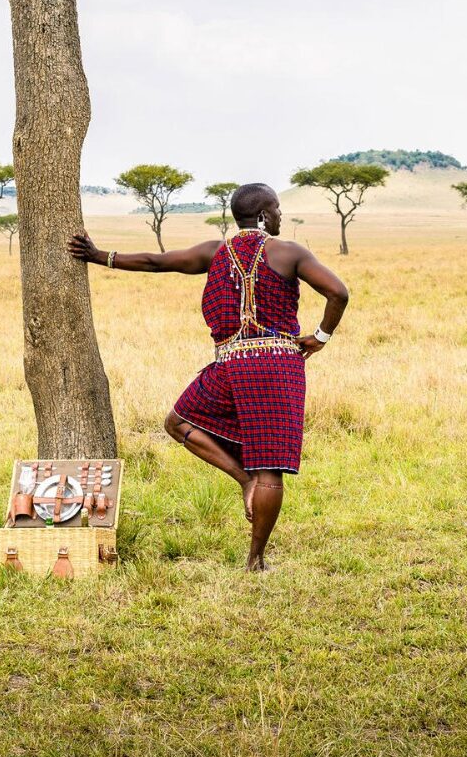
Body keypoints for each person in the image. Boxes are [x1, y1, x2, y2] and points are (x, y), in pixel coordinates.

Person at [68, 183, 349, 571]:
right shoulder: (290, 252)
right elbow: (338, 293)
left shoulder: (214, 251)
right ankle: (255, 556)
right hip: (279, 367)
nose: (281, 215)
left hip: (230, 364)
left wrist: (100, 257)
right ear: (265, 216)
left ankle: (244, 482)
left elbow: (155, 261)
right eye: (278, 209)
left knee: (178, 422)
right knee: (267, 468)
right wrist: (319, 338)